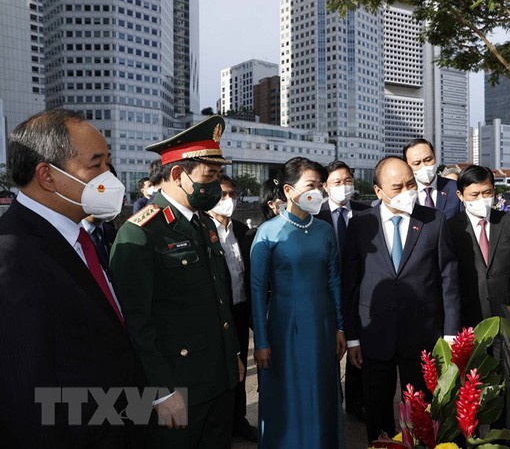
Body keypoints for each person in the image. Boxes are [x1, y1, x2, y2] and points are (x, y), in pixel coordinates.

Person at [0, 109, 145, 447]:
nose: (109, 175)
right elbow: (27, 402)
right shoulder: (12, 257)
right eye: (96, 165)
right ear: (47, 176)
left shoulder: (80, 237)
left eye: (108, 162)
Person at [109, 115, 244, 448]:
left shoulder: (205, 224)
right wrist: (161, 392)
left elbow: (219, 298)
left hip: (219, 379)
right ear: (177, 175)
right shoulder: (140, 233)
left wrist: (234, 355)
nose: (215, 185)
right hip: (179, 388)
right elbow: (136, 323)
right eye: (208, 176)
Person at [342, 156, 461, 443]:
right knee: (377, 406)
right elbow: (350, 284)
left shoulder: (434, 221)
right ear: (378, 192)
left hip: (422, 334)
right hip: (375, 334)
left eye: (411, 183)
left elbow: (449, 280)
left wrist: (450, 336)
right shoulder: (360, 225)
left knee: (421, 410)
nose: (407, 191)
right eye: (397, 187)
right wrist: (354, 338)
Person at [250, 157, 346, 448]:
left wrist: (340, 327)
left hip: (322, 326)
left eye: (320, 185)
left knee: (322, 391)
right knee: (289, 395)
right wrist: (261, 342)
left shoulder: (325, 230)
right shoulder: (267, 233)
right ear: (289, 191)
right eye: (310, 185)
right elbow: (257, 290)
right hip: (285, 329)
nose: (317, 191)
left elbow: (334, 281)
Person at [448, 165, 510, 329]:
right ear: (460, 195)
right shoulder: (451, 229)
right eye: (474, 195)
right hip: (469, 319)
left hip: (507, 316)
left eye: (487, 193)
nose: (481, 199)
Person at [317, 160, 370, 422]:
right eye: (337, 182)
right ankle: (331, 400)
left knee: (358, 347)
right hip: (327, 291)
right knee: (329, 349)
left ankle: (357, 402)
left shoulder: (366, 212)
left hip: (360, 289)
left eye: (348, 180)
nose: (344, 186)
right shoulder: (315, 214)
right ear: (325, 186)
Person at [207, 174, 259, 443]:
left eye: (232, 194)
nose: (229, 199)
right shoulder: (203, 230)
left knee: (240, 374)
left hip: (241, 310)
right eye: (222, 194)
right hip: (217, 316)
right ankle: (222, 427)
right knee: (223, 374)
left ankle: (239, 421)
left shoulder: (241, 230)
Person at [402, 138, 462, 218]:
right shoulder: (403, 194)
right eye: (417, 163)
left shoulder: (454, 187)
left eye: (428, 160)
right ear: (407, 166)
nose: (424, 166)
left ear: (435, 157)